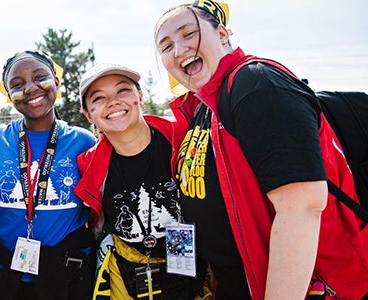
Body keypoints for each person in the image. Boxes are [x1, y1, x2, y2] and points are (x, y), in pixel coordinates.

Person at [154, 1, 368, 299]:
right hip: (232, 285)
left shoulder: (255, 84)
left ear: (222, 33)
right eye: (165, 46)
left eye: (189, 33)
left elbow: (301, 206)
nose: (178, 50)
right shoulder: (202, 109)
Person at [74, 63, 207, 299]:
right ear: (89, 115)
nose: (113, 102)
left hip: (193, 272)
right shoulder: (88, 165)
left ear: (140, 96)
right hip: (124, 277)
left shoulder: (183, 139)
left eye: (122, 90)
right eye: (99, 98)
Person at [0, 50, 96, 299]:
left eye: (39, 77)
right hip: (2, 273)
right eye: (17, 84)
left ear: (56, 81)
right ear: (8, 95)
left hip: (65, 275)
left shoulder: (83, 142)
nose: (30, 88)